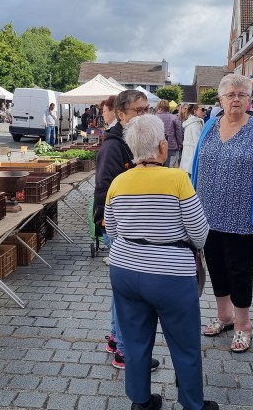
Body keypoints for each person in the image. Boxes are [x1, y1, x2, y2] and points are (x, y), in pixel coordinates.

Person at [106, 114, 217, 410]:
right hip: (171, 275)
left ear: (133, 148)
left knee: (135, 340)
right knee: (184, 344)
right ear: (163, 147)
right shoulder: (177, 179)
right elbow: (200, 233)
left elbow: (113, 230)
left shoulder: (118, 182)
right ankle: (192, 403)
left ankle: (141, 401)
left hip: (125, 269)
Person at [191, 74, 253, 352]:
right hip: (208, 213)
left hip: (244, 214)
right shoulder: (209, 126)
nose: (236, 99)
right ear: (220, 99)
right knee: (216, 267)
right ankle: (224, 317)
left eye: (242, 94)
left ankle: (244, 325)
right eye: (231, 94)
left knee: (239, 270)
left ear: (249, 99)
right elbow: (196, 167)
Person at [94, 90, 160, 372]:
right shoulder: (114, 146)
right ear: (121, 114)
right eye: (138, 111)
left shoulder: (134, 140)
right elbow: (106, 189)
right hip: (121, 227)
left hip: (130, 225)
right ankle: (124, 352)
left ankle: (115, 338)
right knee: (129, 293)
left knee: (122, 290)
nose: (144, 115)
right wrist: (105, 224)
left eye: (147, 110)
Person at [155, 100, 183, 167]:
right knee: (170, 167)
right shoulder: (174, 118)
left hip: (157, 147)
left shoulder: (154, 118)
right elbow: (179, 133)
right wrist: (179, 145)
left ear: (159, 107)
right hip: (172, 146)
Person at [180, 104, 205, 175]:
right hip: (191, 157)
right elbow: (198, 142)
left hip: (187, 157)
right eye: (202, 110)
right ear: (195, 111)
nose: (204, 112)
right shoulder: (195, 124)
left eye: (205, 110)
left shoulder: (192, 122)